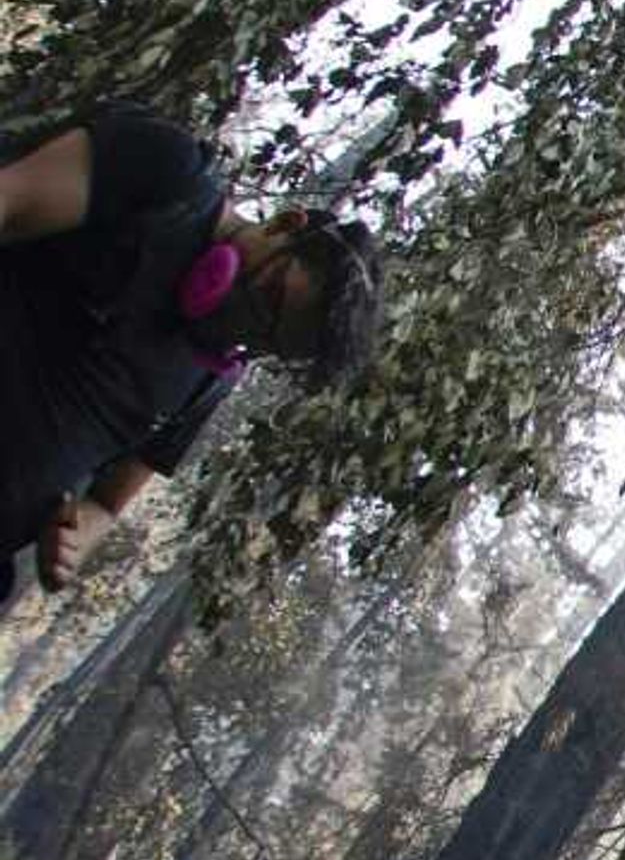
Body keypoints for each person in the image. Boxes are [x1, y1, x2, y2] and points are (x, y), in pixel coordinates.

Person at [0, 108, 383, 606]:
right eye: (270, 295)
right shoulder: (165, 176)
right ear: (286, 224)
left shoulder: (209, 380)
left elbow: (107, 502)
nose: (245, 323)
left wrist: (76, 538)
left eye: (267, 339)